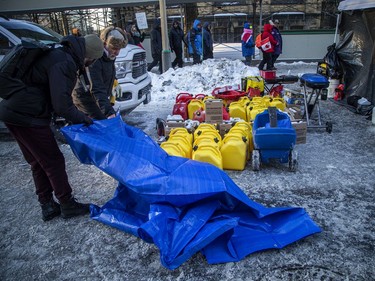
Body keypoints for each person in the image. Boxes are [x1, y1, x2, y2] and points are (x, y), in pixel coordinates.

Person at [0, 34, 104, 221]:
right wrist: (84, 119)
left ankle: (47, 204)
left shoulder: (61, 54)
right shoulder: (65, 62)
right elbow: (62, 105)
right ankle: (67, 203)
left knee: (38, 161)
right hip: (28, 115)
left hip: (13, 111)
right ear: (89, 56)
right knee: (53, 160)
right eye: (93, 60)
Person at [72, 26, 128, 120]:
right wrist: (108, 112)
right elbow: (96, 87)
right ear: (105, 43)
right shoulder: (95, 58)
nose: (117, 53)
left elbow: (107, 71)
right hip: (86, 99)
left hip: (97, 98)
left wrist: (115, 81)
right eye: (114, 48)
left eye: (119, 49)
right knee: (101, 123)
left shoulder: (109, 55)